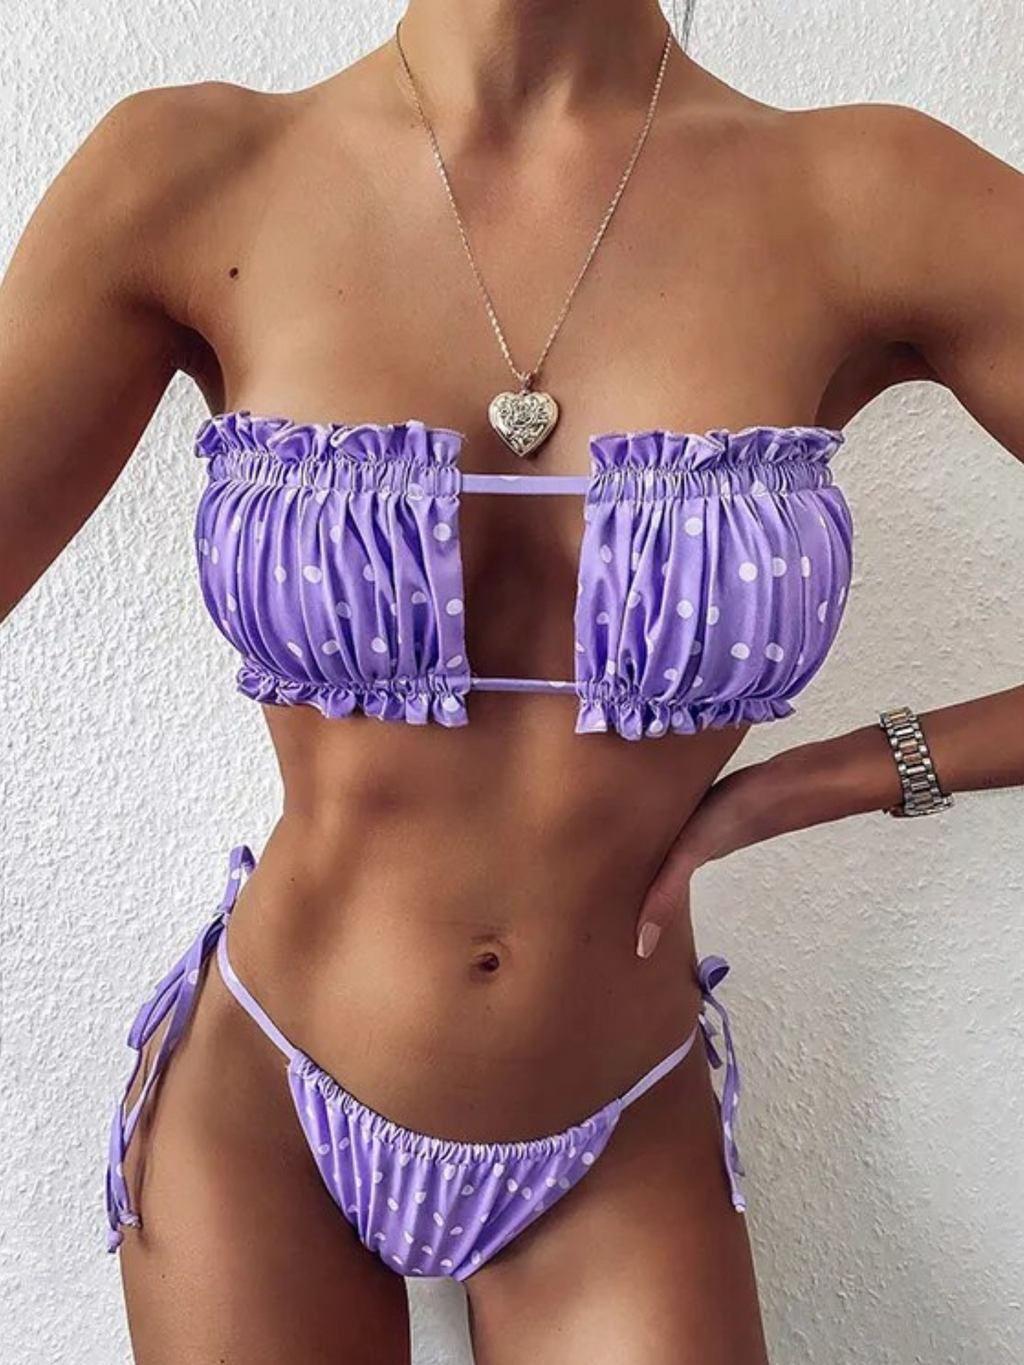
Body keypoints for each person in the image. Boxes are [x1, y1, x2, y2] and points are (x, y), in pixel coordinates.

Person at [1, 1, 1023, 1361]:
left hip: (620, 1115)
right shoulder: (193, 172)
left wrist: (843, 773)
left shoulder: (871, 194)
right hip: (261, 1106)